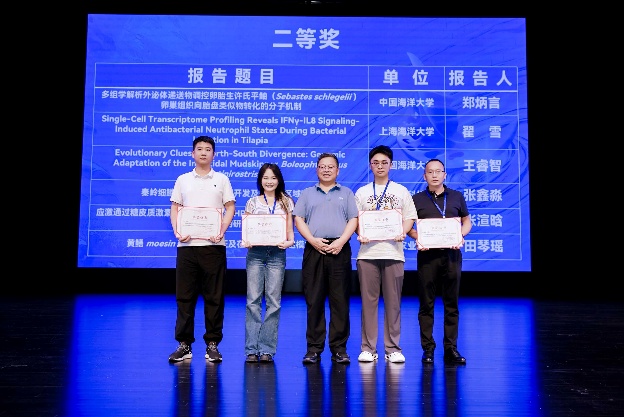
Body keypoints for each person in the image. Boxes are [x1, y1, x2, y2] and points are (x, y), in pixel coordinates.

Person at [167, 135, 236, 363]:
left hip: (213, 246)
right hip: (187, 246)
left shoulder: (222, 179)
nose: (204, 152)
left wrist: (221, 230)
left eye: (208, 149)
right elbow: (175, 208)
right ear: (192, 153)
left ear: (214, 154)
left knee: (214, 297)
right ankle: (184, 345)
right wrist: (178, 231)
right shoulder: (183, 180)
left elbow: (230, 207)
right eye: (199, 149)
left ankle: (212, 344)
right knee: (184, 297)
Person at [293, 153, 359, 364]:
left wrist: (340, 242)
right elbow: (299, 219)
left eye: (331, 167)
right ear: (317, 170)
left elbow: (353, 219)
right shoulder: (307, 193)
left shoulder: (346, 193)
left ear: (338, 170)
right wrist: (312, 240)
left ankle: (339, 348)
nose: (326, 170)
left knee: (340, 301)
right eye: (322, 166)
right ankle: (314, 348)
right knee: (314, 300)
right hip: (314, 249)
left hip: (340, 249)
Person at [354, 145, 417, 364]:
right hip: (367, 254)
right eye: (376, 163)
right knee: (368, 303)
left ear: (391, 165)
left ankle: (393, 348)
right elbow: (355, 221)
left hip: (394, 253)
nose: (380, 166)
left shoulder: (401, 191)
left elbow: (409, 217)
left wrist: (402, 232)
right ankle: (368, 348)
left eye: (384, 162)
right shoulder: (362, 192)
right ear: (370, 165)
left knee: (393, 303)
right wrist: (361, 232)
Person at [407, 158, 472, 365]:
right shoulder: (416, 199)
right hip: (428, 257)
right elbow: (407, 226)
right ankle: (428, 349)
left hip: (451, 256)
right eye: (430, 172)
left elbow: (467, 221)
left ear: (445, 174)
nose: (434, 175)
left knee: (451, 303)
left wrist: (460, 235)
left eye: (438, 171)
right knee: (426, 304)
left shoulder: (456, 196)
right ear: (424, 176)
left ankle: (451, 348)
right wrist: (418, 238)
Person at [242, 163, 295, 363]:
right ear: (260, 180)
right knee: (253, 300)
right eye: (265, 178)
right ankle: (251, 349)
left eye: (273, 178)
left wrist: (289, 241)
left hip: (277, 254)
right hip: (255, 253)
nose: (269, 181)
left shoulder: (286, 202)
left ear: (279, 180)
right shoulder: (252, 202)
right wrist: (247, 240)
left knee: (274, 302)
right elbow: (247, 229)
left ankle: (267, 350)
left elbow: (289, 231)